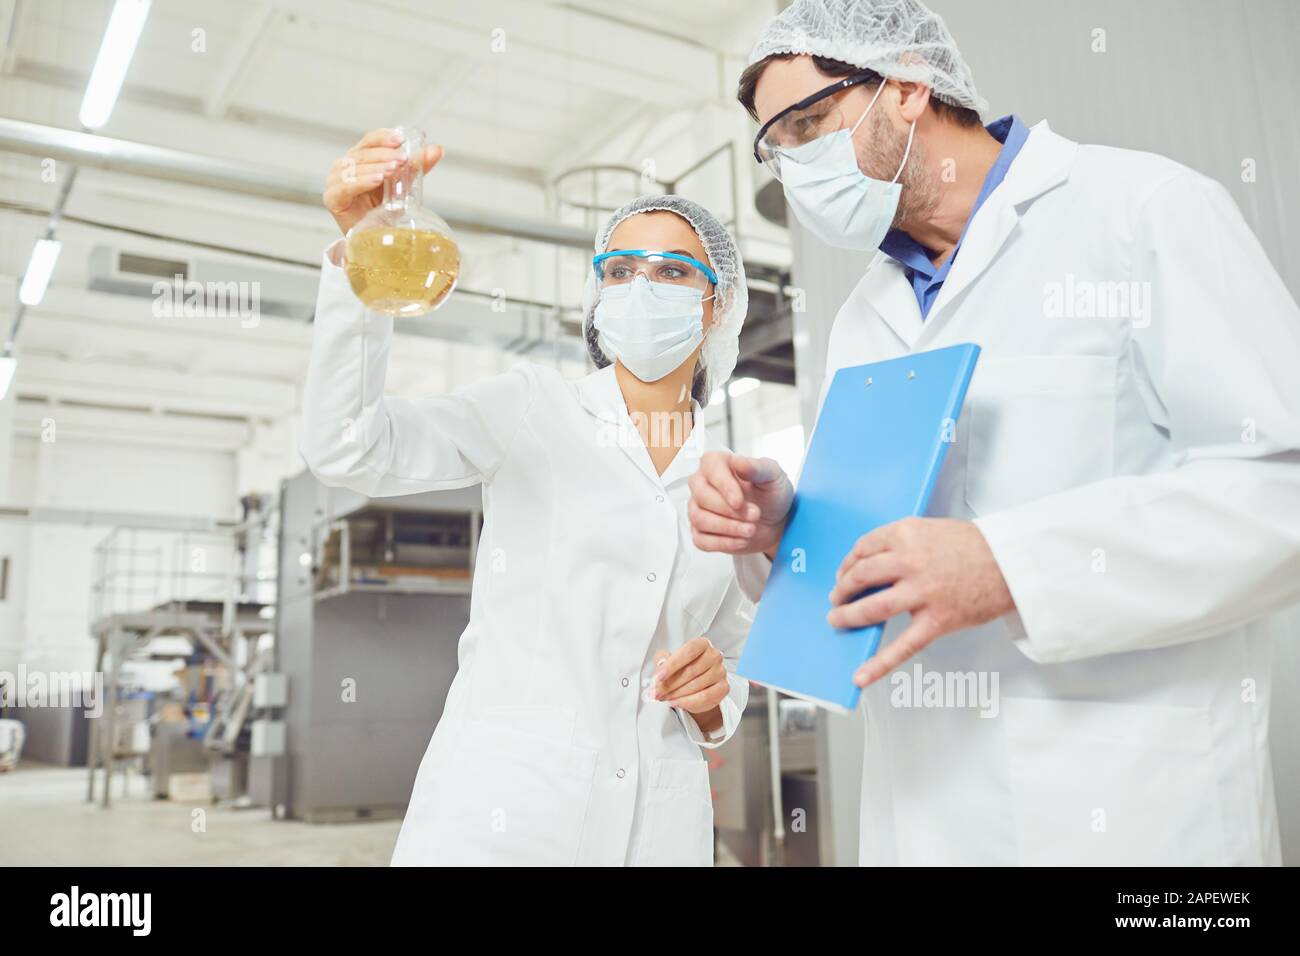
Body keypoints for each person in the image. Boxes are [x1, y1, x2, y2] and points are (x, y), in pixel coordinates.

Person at [689, 0, 1300, 865]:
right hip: (927, 811)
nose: (792, 164)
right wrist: (784, 532)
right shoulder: (869, 311)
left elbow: (1281, 491)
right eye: (773, 145)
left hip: (1131, 817)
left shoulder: (1141, 210)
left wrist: (1012, 565)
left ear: (905, 86)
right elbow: (878, 557)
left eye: (809, 123)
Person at [302, 129, 766, 865]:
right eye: (618, 270)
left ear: (718, 305)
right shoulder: (531, 410)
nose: (639, 286)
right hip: (506, 812)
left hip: (661, 825)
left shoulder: (733, 481)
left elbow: (735, 654)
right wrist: (366, 254)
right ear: (597, 298)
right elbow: (347, 445)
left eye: (671, 271)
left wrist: (715, 702)